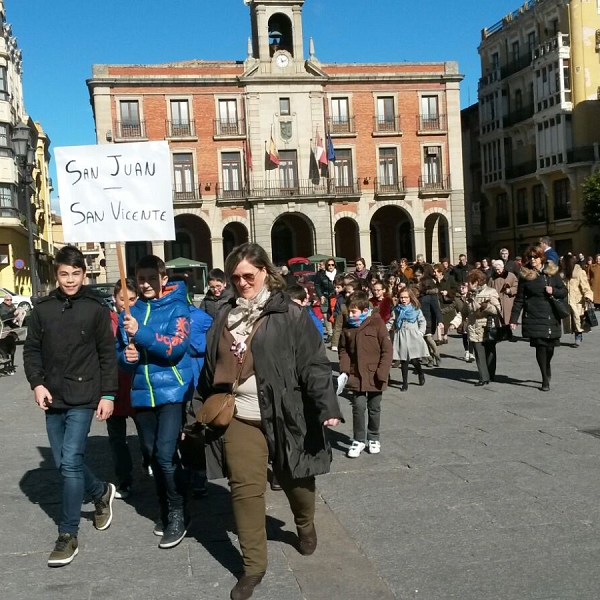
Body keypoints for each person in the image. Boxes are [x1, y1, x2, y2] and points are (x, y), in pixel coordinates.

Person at [198, 243, 342, 600]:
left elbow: (313, 364)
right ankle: (253, 567)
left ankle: (304, 523)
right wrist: (197, 412)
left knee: (296, 482)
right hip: (239, 418)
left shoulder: (289, 313)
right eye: (236, 277)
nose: (242, 282)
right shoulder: (223, 316)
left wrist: (327, 406)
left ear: (265, 271)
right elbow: (207, 370)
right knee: (245, 492)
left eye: (249, 275)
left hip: (284, 413)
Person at [23, 245, 118, 567]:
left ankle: (68, 533)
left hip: (84, 395)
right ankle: (101, 491)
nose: (70, 280)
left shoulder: (95, 309)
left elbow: (107, 353)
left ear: (84, 273)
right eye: (64, 274)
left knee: (70, 462)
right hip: (53, 396)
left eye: (76, 274)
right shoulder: (42, 309)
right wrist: (36, 383)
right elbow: (31, 350)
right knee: (65, 463)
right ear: (56, 274)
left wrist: (108, 394)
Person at [116, 255, 195, 549]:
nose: (146, 284)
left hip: (172, 390)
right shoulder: (130, 312)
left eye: (152, 278)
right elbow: (120, 353)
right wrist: (127, 357)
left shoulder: (178, 307)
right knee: (151, 453)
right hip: (141, 392)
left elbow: (176, 347)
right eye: (141, 278)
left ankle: (177, 512)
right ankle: (166, 508)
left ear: (163, 278)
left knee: (164, 454)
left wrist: (142, 334)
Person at [106, 278, 151, 500]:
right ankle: (124, 479)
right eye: (122, 299)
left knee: (145, 433)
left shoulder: (142, 316)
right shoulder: (107, 320)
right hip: (113, 386)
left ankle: (148, 459)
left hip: (137, 384)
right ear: (115, 299)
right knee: (117, 438)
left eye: (132, 299)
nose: (127, 303)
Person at [338, 290, 392, 458]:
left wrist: (382, 372)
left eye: (354, 311)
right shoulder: (348, 327)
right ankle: (359, 439)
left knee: (374, 408)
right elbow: (344, 350)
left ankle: (373, 437)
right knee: (358, 407)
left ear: (363, 309)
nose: (351, 314)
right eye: (350, 310)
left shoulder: (377, 323)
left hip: (375, 375)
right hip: (356, 375)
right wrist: (344, 370)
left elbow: (387, 350)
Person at [510, 246, 567, 391]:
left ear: (541, 258)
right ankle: (544, 378)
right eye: (530, 258)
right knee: (540, 346)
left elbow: (563, 291)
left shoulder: (551, 273)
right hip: (533, 315)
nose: (533, 260)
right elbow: (519, 299)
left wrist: (553, 290)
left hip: (551, 315)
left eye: (535, 257)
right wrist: (514, 319)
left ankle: (547, 365)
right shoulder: (525, 276)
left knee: (550, 348)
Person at [449, 269, 501, 386]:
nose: (467, 284)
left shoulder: (490, 292)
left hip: (488, 327)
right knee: (479, 353)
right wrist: (454, 323)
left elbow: (497, 310)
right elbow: (463, 312)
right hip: (474, 328)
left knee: (490, 352)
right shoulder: (470, 295)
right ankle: (483, 377)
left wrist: (486, 306)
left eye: (469, 282)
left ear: (477, 282)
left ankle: (490, 374)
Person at [388, 287, 429, 391]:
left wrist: (420, 332)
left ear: (410, 298)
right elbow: (391, 322)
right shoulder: (396, 310)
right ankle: (404, 383)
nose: (403, 299)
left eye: (406, 297)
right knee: (403, 360)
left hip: (413, 335)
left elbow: (422, 321)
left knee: (414, 360)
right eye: (401, 297)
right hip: (401, 335)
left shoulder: (415, 309)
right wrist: (384, 330)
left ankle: (420, 372)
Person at [561, 254, 593, 347]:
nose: (561, 263)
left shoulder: (579, 272)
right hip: (567, 301)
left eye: (563, 261)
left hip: (578, 301)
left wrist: (588, 296)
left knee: (577, 320)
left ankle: (578, 336)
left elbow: (586, 286)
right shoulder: (562, 274)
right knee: (570, 320)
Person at [489, 259, 518, 342]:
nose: (497, 271)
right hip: (497, 301)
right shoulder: (492, 278)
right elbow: (488, 289)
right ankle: (501, 334)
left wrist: (510, 290)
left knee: (507, 318)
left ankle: (508, 334)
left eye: (499, 269)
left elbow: (516, 287)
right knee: (499, 318)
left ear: (503, 267)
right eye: (496, 270)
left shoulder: (511, 276)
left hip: (508, 300)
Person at [418, 276, 444, 366]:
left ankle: (437, 355)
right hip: (420, 321)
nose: (419, 285)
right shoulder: (420, 295)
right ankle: (430, 359)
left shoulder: (432, 296)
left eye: (421, 283)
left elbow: (437, 309)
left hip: (430, 320)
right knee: (424, 341)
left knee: (429, 338)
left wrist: (440, 321)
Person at [314, 257, 337, 342]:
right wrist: (320, 296)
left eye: (332, 265)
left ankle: (336, 333)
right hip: (324, 296)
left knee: (335, 313)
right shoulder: (320, 274)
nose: (330, 266)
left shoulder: (336, 273)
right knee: (325, 314)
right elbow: (317, 286)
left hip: (334, 296)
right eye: (329, 265)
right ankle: (330, 334)